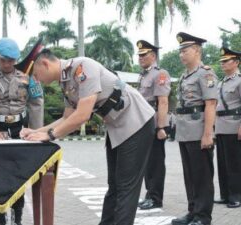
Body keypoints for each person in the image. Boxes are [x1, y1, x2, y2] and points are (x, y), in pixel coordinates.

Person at [20, 48, 155, 225]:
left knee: (126, 187)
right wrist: (38, 132)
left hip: (137, 122)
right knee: (114, 185)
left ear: (45, 64)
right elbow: (67, 117)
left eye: (35, 74)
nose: (36, 80)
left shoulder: (82, 67)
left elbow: (82, 115)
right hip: (118, 128)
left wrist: (50, 135)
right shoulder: (65, 81)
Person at [0, 38, 44, 225]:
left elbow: (36, 104)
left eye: (11, 60)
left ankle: (17, 217)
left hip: (19, 129)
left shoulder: (27, 76)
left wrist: (37, 133)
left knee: (18, 175)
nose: (7, 64)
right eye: (3, 60)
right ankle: (1, 217)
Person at [171, 32, 217, 225]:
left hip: (199, 132)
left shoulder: (205, 73)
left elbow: (211, 104)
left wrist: (207, 134)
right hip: (185, 132)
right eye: (180, 51)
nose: (181, 54)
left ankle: (203, 216)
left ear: (197, 50)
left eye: (185, 50)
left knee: (202, 175)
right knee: (190, 175)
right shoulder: (184, 76)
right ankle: (193, 211)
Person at [136, 40, 171, 210]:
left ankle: (156, 198)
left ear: (153, 56)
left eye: (144, 55)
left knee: (156, 163)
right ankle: (149, 194)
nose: (140, 58)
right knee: (147, 163)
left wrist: (161, 127)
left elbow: (163, 102)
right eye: (139, 55)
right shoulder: (143, 75)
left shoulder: (160, 74)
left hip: (154, 122)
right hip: (143, 122)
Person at [214, 47, 241, 208]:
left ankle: (236, 195)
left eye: (226, 61)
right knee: (223, 164)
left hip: (234, 125)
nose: (222, 64)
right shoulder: (221, 82)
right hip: (221, 127)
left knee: (235, 164)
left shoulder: (239, 80)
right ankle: (225, 194)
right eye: (221, 62)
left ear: (236, 62)